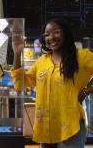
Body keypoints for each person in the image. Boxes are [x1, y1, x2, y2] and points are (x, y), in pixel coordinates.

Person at [10, 18, 93, 148]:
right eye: (47, 34)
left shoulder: (81, 57)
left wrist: (87, 90)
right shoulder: (41, 62)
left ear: (65, 33)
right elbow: (19, 83)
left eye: (56, 32)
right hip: (46, 129)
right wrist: (17, 53)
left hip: (70, 128)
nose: (51, 37)